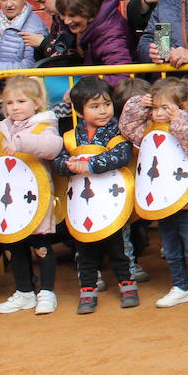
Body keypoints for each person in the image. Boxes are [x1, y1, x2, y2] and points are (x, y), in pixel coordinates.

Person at [0, 76, 64, 315]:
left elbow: (51, 146)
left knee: (41, 244)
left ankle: (47, 292)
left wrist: (20, 142)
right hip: (7, 199)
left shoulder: (44, 124)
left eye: (20, 101)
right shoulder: (2, 127)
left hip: (33, 197)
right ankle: (25, 291)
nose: (14, 107)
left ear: (36, 103)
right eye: (9, 103)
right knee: (15, 245)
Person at [119, 80, 188, 311]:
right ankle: (181, 287)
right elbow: (127, 127)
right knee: (171, 249)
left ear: (181, 105)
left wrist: (179, 119)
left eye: (165, 107)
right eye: (156, 108)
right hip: (162, 199)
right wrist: (138, 105)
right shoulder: (149, 128)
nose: (159, 113)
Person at [49, 76, 138, 313]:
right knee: (85, 249)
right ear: (79, 110)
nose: (103, 111)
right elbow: (56, 163)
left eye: (106, 104)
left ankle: (127, 285)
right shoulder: (69, 137)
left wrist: (89, 165)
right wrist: (68, 164)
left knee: (119, 246)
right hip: (81, 204)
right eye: (94, 106)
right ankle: (87, 290)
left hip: (111, 200)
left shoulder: (116, 132)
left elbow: (121, 156)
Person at [55, 0, 134, 72]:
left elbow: (121, 76)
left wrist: (88, 84)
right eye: (63, 14)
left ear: (90, 12)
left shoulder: (111, 36)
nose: (66, 21)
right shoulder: (89, 25)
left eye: (73, 15)